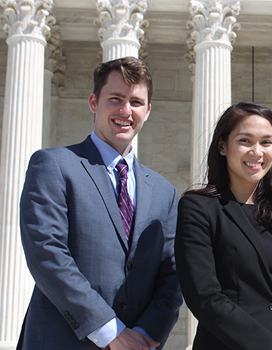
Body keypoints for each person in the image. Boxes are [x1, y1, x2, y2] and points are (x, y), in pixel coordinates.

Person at [19, 57, 182, 350]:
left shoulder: (164, 192)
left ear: (148, 111)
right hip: (62, 341)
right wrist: (111, 332)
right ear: (94, 102)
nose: (125, 111)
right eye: (115, 99)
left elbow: (171, 274)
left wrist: (144, 335)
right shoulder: (54, 165)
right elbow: (47, 253)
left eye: (135, 102)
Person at [175, 102, 272, 350]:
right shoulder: (198, 208)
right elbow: (205, 296)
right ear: (222, 146)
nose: (257, 152)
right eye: (245, 140)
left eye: (266, 142)